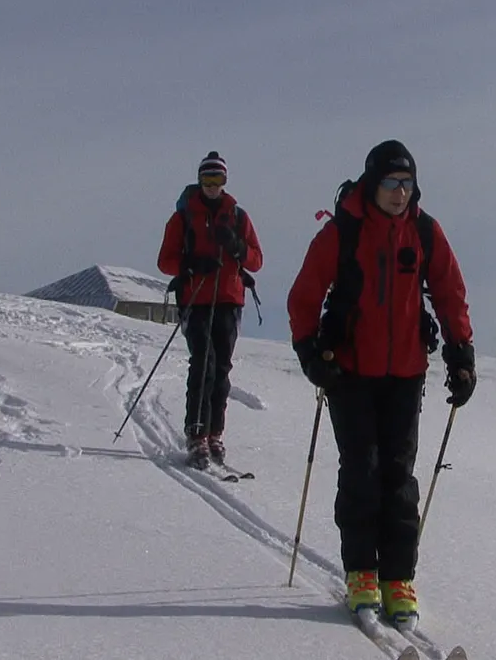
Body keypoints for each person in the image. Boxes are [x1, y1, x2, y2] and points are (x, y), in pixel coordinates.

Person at [286, 139, 475, 627]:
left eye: (407, 184)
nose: (399, 193)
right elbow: (304, 296)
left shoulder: (425, 233)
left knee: (399, 476)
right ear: (372, 184)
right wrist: (310, 353)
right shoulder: (342, 232)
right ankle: (361, 574)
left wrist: (461, 355)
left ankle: (398, 579)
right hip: (349, 372)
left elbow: (451, 293)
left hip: (406, 373)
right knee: (361, 472)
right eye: (391, 183)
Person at [158, 151, 263, 468]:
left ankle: (215, 434)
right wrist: (192, 264)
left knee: (221, 370)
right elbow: (165, 260)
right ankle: (196, 435)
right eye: (207, 179)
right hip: (197, 298)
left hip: (230, 299)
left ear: (225, 181)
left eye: (217, 180)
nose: (213, 186)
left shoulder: (238, 217)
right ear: (199, 180)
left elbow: (256, 260)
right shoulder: (183, 217)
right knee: (203, 363)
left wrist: (236, 246)